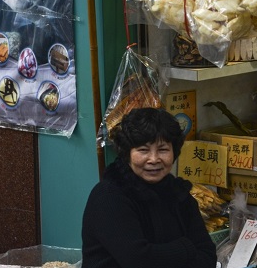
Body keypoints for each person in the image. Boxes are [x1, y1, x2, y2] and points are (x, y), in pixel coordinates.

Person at [82, 107, 216, 268]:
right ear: (127, 154)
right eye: (143, 150)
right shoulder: (109, 196)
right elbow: (139, 260)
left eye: (163, 150)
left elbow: (207, 255)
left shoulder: (177, 193)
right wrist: (185, 248)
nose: (154, 159)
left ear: (174, 152)